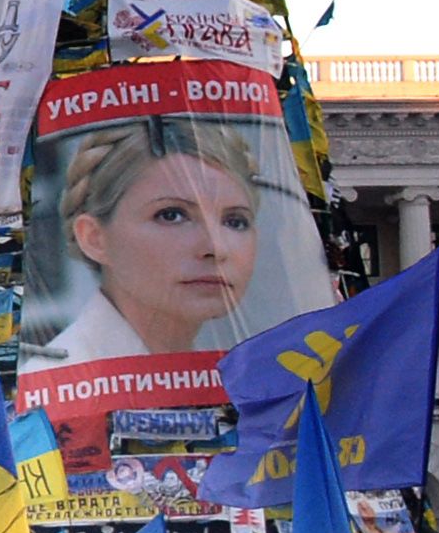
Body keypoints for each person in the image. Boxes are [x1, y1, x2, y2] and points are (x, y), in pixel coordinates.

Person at [38, 118, 272, 363]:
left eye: (235, 221)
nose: (216, 247)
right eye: (171, 215)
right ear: (94, 238)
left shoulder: (239, 369)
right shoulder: (56, 383)